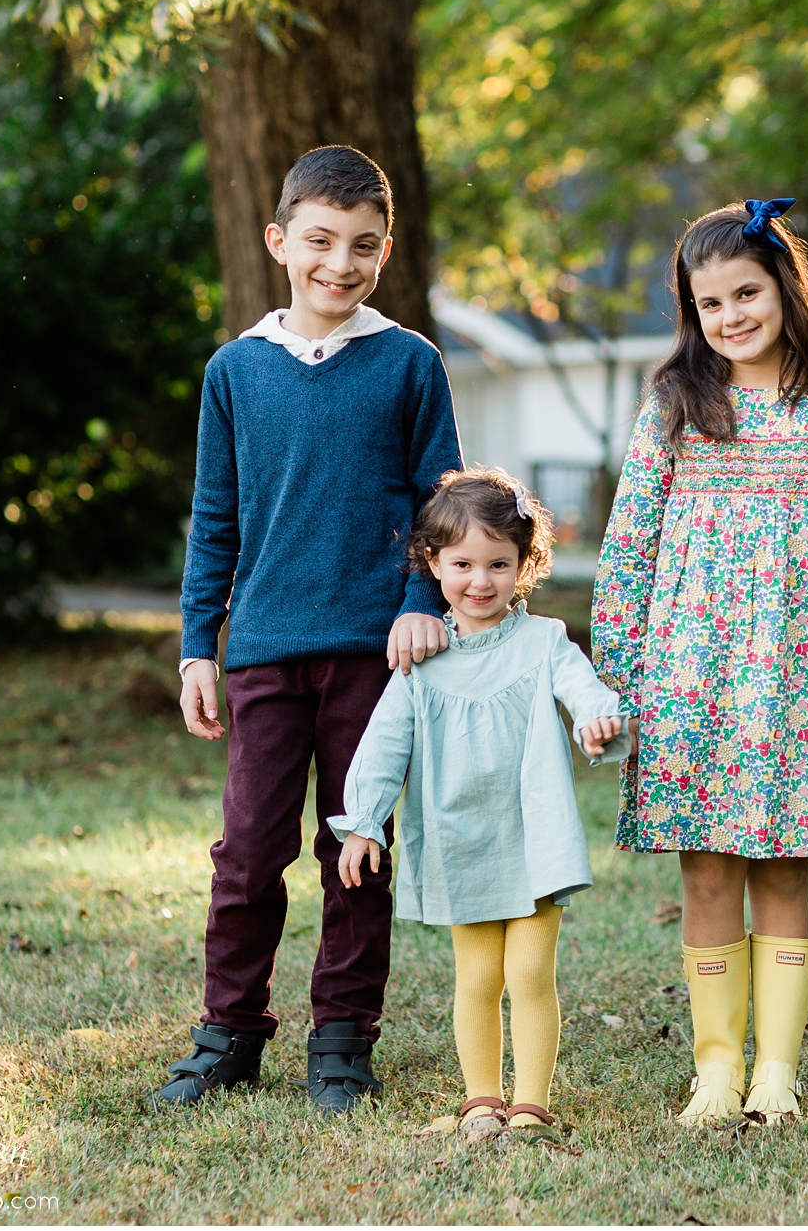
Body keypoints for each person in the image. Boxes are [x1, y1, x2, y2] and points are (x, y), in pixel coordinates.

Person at [592, 198, 808, 1128]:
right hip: (694, 675)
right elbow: (630, 548)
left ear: (785, 287)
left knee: (786, 868)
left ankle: (776, 1070)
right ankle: (715, 1067)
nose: (732, 315)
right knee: (705, 869)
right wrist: (614, 679)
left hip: (806, 675)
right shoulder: (676, 406)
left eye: (747, 292)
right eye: (710, 304)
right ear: (692, 315)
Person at [156, 145, 463, 1113]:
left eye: (364, 246)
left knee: (354, 844)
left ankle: (341, 1041)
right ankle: (228, 1034)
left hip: (375, 652)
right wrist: (197, 643)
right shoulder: (235, 371)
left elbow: (441, 504)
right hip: (262, 652)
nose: (341, 262)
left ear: (385, 252)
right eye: (322, 241)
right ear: (279, 239)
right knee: (247, 852)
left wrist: (423, 606)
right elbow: (217, 514)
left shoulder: (410, 363)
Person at [329, 469, 626, 1142]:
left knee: (528, 969)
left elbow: (585, 689)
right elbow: (384, 744)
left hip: (533, 833)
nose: (481, 581)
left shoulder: (543, 640)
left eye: (499, 563)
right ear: (434, 563)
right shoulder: (422, 658)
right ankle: (481, 1098)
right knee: (479, 973)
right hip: (460, 836)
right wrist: (363, 820)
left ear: (525, 565)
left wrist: (598, 718)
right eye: (463, 563)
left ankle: (530, 1102)